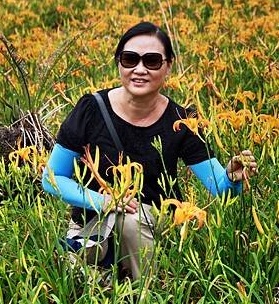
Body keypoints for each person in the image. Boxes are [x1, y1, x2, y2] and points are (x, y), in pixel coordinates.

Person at [42, 21, 258, 280]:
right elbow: (52, 179)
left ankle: (149, 290)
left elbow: (218, 188)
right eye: (130, 59)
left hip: (160, 220)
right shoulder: (91, 109)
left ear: (168, 66)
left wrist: (233, 179)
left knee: (130, 220)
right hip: (94, 222)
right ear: (118, 63)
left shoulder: (184, 120)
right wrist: (105, 201)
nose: (139, 69)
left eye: (152, 61)